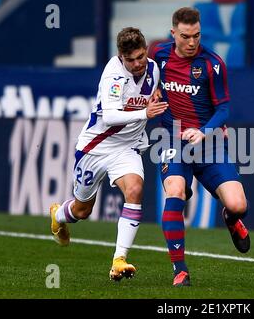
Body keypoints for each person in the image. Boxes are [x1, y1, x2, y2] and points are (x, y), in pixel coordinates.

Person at [49, 27, 168, 281]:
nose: (137, 64)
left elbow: (151, 90)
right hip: (96, 147)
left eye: (141, 57)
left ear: (145, 51)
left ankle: (119, 260)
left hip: (128, 147)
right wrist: (144, 114)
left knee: (135, 190)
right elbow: (112, 116)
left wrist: (155, 94)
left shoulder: (154, 69)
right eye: (131, 60)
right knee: (82, 211)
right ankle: (58, 214)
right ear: (120, 57)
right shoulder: (113, 75)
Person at [153, 7, 250, 287]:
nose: (192, 42)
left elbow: (223, 109)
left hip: (208, 143)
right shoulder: (158, 56)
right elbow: (141, 83)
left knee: (238, 204)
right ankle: (179, 270)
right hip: (172, 139)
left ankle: (232, 220)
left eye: (196, 35)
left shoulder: (212, 63)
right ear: (174, 33)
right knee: (175, 192)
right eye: (185, 36)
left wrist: (205, 132)